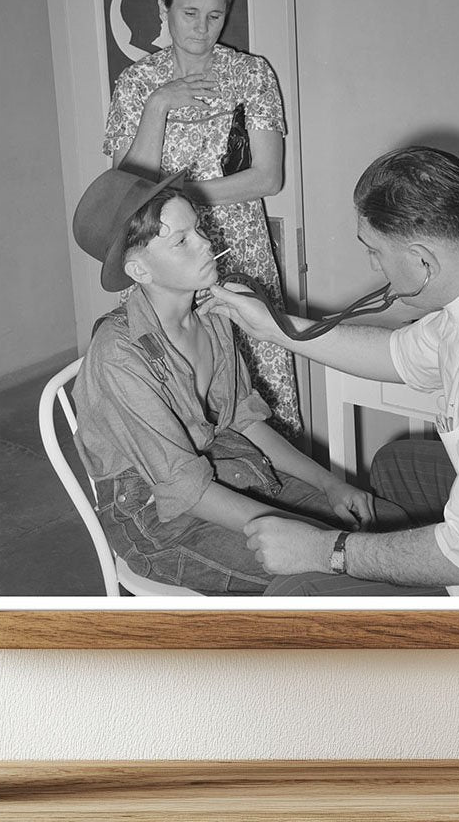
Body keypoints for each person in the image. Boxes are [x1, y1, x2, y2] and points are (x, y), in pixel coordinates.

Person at [201, 146, 459, 598]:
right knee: (395, 465)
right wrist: (276, 328)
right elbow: (399, 354)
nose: (373, 266)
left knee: (295, 593)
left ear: (422, 261)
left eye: (375, 251)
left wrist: (327, 551)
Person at [70, 167, 408, 596]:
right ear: (139, 270)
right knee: (342, 573)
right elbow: (185, 488)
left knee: (386, 529)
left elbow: (243, 420)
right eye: (182, 241)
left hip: (226, 464)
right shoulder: (119, 356)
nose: (206, 244)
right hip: (157, 513)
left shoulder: (212, 314)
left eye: (199, 229)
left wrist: (330, 483)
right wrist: (318, 541)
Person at [103, 0, 301, 438]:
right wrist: (158, 106)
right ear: (163, 9)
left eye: (215, 16)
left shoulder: (251, 74)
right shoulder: (137, 83)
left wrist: (183, 197)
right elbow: (127, 184)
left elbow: (267, 178)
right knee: (178, 380)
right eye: (189, 13)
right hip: (165, 253)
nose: (202, 28)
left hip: (242, 248)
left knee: (257, 371)